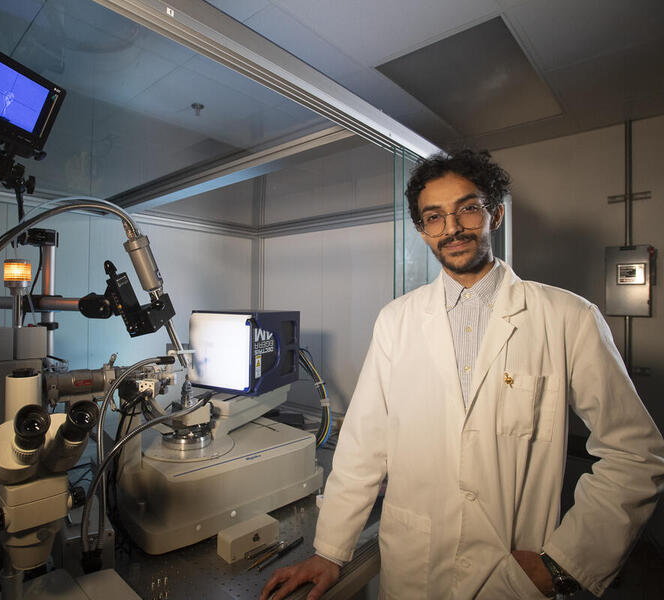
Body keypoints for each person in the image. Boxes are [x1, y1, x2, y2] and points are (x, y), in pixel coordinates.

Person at [260, 149, 664, 600]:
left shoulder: (567, 317)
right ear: (421, 230)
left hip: (513, 575)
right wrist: (330, 550)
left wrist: (564, 563)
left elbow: (635, 456)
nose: (451, 228)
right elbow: (363, 445)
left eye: (467, 209)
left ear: (495, 215)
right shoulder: (397, 320)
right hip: (413, 569)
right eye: (434, 217)